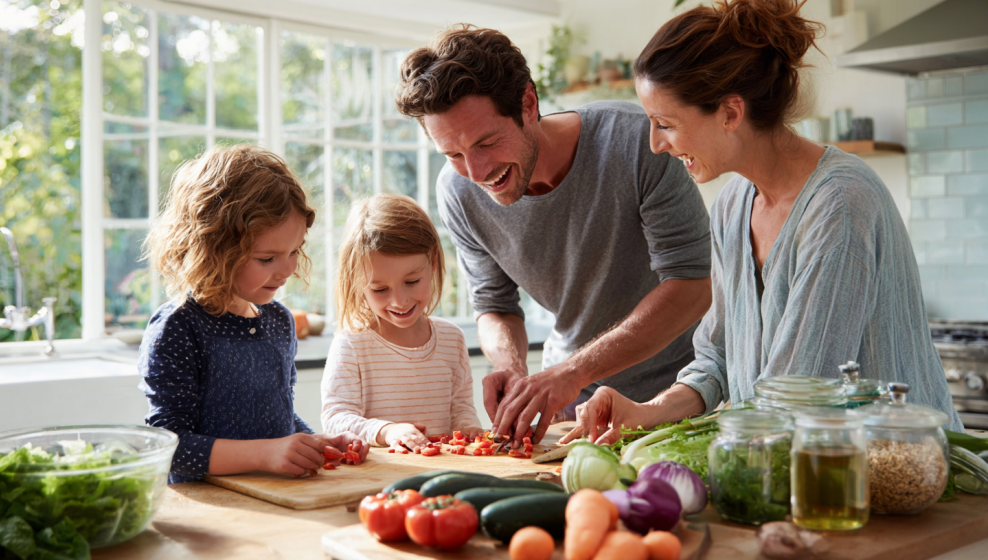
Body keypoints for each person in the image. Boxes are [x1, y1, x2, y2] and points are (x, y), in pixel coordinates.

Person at [562, 0, 964, 446]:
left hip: (903, 476)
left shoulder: (841, 205)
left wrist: (668, 452)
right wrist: (646, 412)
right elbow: (715, 357)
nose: (656, 144)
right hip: (805, 473)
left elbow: (799, 392)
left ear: (731, 113)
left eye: (665, 124)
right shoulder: (734, 205)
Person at [395, 25, 713, 446]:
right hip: (570, 410)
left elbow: (693, 285)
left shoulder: (636, 142)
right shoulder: (457, 192)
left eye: (486, 142)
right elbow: (494, 304)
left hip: (679, 396)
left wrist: (571, 372)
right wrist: (511, 366)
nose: (475, 171)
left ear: (528, 104)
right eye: (453, 154)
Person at [139, 144, 368, 484]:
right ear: (213, 249)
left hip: (278, 499)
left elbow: (278, 419)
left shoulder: (279, 321)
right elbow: (171, 448)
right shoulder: (178, 327)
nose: (287, 269)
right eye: (267, 258)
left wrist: (314, 442)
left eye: (294, 251)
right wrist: (267, 454)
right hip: (213, 512)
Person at [321, 194, 483, 450]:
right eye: (379, 289)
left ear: (433, 263)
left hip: (444, 473)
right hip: (381, 480)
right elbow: (335, 419)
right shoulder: (352, 344)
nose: (399, 301)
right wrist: (386, 430)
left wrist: (469, 428)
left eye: (411, 282)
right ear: (358, 284)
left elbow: (461, 408)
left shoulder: (452, 339)